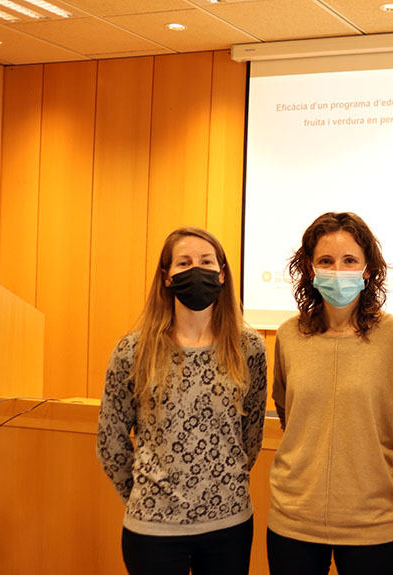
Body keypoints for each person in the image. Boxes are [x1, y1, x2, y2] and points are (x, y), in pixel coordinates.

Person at [267, 212, 393, 575]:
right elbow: (288, 416)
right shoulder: (288, 336)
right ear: (309, 269)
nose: (338, 271)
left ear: (368, 269)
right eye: (326, 261)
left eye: (350, 261)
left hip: (372, 526)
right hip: (293, 523)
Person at [96, 227, 268, 575]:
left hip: (229, 525)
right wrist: (146, 493)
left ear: (222, 273)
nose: (196, 270)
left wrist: (221, 482)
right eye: (184, 263)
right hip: (153, 530)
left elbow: (250, 436)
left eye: (206, 262)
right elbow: (110, 440)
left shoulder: (248, 348)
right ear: (167, 276)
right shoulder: (133, 351)